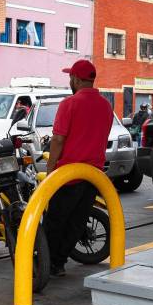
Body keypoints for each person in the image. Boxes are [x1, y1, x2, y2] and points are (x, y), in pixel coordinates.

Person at [45, 59, 114, 277]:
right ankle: (59, 263)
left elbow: (57, 140)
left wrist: (50, 171)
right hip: (93, 176)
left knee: (54, 222)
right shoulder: (106, 105)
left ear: (75, 78)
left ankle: (46, 265)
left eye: (70, 77)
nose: (69, 81)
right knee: (76, 222)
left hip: (68, 175)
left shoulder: (70, 103)